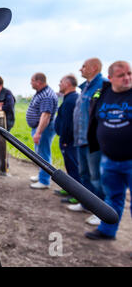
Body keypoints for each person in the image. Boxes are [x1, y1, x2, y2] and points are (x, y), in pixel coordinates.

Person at [84, 61, 132, 241]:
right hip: (109, 159)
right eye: (121, 75)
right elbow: (94, 119)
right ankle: (107, 230)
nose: (127, 78)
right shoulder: (103, 94)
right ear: (111, 78)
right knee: (113, 197)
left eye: (130, 73)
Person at [68, 58, 107, 226]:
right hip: (80, 139)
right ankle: (86, 204)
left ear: (94, 68)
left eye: (84, 66)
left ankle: (101, 211)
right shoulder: (85, 88)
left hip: (94, 141)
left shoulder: (104, 86)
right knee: (84, 174)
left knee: (96, 176)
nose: (80, 69)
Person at [26, 73, 58, 189]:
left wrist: (38, 132)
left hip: (44, 128)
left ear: (38, 82)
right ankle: (41, 175)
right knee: (40, 153)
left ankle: (44, 181)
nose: (31, 82)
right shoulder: (42, 92)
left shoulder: (46, 95)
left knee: (43, 154)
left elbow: (46, 116)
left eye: (32, 80)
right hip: (40, 128)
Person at [54, 74, 80, 203]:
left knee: (74, 166)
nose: (59, 84)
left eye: (61, 81)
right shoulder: (69, 98)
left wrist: (64, 140)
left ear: (68, 84)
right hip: (68, 140)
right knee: (69, 165)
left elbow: (69, 124)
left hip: (69, 141)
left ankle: (78, 195)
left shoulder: (71, 100)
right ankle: (70, 189)